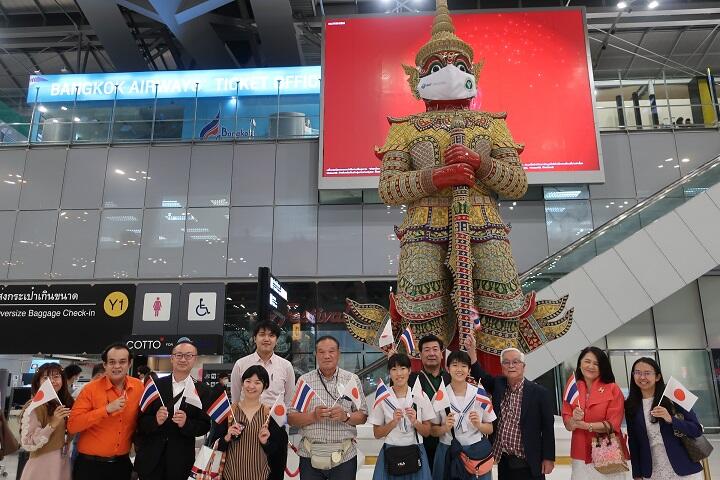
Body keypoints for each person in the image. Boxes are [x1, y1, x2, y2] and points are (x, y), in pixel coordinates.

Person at [471, 341, 555, 480]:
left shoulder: (539, 393)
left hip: (529, 462)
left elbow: (547, 428)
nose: (511, 366)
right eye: (506, 362)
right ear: (502, 367)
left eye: (515, 362)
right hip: (504, 462)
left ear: (523, 366)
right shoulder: (498, 385)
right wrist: (471, 352)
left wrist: (548, 458)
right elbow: (481, 376)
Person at [400, 334, 485, 470]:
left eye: (435, 349)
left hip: (448, 442)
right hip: (419, 442)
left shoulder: (453, 378)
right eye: (427, 350)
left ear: (441, 354)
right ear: (420, 355)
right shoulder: (411, 379)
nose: (431, 353)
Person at [288, 336, 368, 479]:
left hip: (344, 456)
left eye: (331, 351)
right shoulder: (304, 381)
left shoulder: (351, 379)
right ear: (316, 354)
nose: (327, 356)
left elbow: (363, 416)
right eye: (321, 352)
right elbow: (291, 418)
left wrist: (345, 416)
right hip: (309, 454)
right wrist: (313, 416)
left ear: (338, 353)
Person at [134, 338, 211, 480]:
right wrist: (155, 420)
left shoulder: (202, 390)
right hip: (151, 459)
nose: (183, 359)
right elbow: (140, 420)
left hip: (180, 461)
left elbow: (205, 426)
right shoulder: (154, 385)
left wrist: (186, 423)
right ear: (172, 358)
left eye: (188, 355)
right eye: (179, 355)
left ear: (195, 359)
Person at [68, 342, 143, 480]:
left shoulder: (138, 387)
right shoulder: (90, 389)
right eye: (112, 362)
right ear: (105, 365)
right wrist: (106, 410)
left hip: (121, 465)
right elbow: (73, 425)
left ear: (130, 363)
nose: (117, 366)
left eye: (122, 362)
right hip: (90, 467)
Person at [625, 357, 704, 480]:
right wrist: (637, 474)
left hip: (683, 469)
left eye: (647, 373)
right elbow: (633, 442)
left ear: (657, 377)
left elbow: (696, 430)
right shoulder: (631, 405)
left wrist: (671, 419)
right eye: (638, 372)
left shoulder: (673, 397)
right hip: (652, 471)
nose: (642, 377)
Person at [561, 346, 626, 480]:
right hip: (580, 453)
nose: (591, 366)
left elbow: (614, 424)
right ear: (580, 363)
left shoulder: (613, 389)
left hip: (607, 452)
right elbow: (568, 425)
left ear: (602, 367)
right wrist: (574, 420)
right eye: (587, 361)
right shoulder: (573, 387)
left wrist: (586, 426)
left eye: (596, 363)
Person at [430, 351, 496, 480]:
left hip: (475, 453)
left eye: (464, 366)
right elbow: (433, 430)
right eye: (455, 365)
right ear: (448, 368)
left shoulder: (479, 394)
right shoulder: (440, 396)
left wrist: (479, 425)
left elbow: (490, 428)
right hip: (448, 451)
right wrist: (445, 428)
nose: (459, 369)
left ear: (469, 370)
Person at [370, 353, 433, 480]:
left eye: (403, 368)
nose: (399, 374)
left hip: (415, 451)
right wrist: (393, 423)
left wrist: (415, 422)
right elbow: (377, 434)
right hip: (391, 452)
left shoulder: (419, 396)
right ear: (389, 372)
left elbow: (427, 432)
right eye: (394, 369)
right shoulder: (383, 398)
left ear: (409, 371)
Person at [217, 365, 286, 480]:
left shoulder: (270, 416)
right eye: (248, 381)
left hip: (261, 476)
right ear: (242, 383)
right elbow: (214, 444)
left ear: (265, 386)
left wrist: (265, 443)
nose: (251, 386)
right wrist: (227, 437)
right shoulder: (229, 412)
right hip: (230, 475)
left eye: (257, 382)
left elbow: (278, 452)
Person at [19, 363, 74, 480]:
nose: (52, 381)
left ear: (63, 380)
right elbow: (28, 443)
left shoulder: (66, 403)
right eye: (45, 378)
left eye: (56, 377)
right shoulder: (35, 406)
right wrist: (52, 424)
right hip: (42, 466)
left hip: (63, 463)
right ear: (38, 382)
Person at [231, 320, 295, 406]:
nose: (266, 339)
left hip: (275, 414)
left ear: (276, 340)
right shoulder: (241, 364)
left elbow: (289, 401)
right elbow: (235, 400)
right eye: (262, 334)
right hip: (247, 413)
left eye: (271, 335)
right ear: (255, 339)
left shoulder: (286, 366)